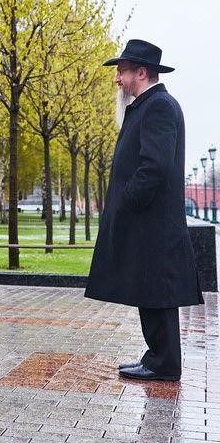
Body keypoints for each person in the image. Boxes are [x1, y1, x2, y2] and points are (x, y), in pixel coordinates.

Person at [86, 39, 203, 382]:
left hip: (152, 221)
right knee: (150, 290)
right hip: (147, 221)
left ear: (141, 71)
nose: (117, 79)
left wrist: (127, 200)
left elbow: (155, 166)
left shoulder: (159, 106)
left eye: (121, 71)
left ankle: (163, 363)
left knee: (158, 293)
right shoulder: (148, 105)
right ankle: (158, 358)